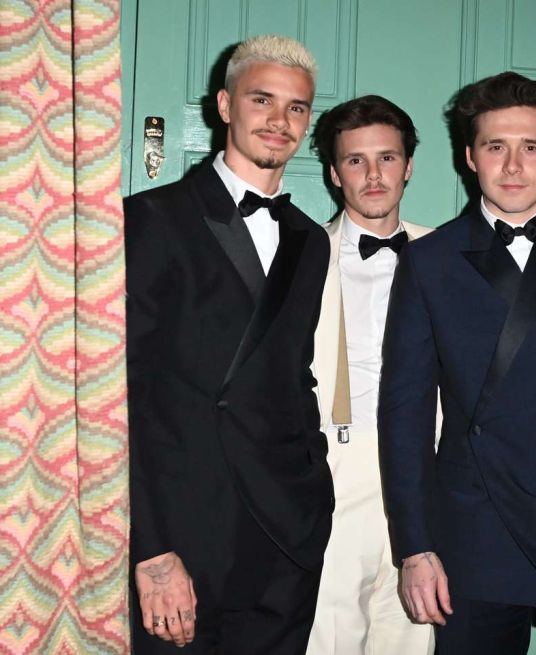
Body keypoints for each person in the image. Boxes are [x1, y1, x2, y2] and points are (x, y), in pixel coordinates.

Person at [306, 94, 536, 655]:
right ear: (469, 156)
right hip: (472, 526)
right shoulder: (431, 257)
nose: (512, 166)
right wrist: (417, 545)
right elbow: (406, 409)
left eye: (531, 147)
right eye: (495, 147)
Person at [125, 35, 333, 654]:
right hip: (185, 534)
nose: (279, 120)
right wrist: (152, 551)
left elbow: (294, 372)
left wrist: (313, 496)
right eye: (262, 99)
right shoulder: (151, 219)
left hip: (286, 536)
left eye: (296, 107)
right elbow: (123, 394)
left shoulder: (309, 240)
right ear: (224, 105)